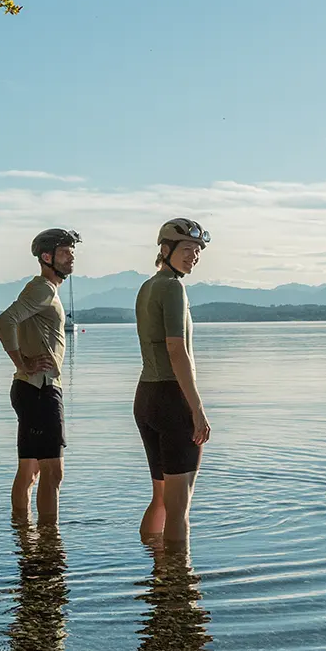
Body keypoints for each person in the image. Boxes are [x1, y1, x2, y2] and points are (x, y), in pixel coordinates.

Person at [0, 228, 80, 525]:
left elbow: (11, 323)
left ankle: (23, 535)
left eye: (72, 252)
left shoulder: (45, 289)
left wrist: (24, 365)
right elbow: (3, 323)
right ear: (47, 256)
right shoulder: (43, 288)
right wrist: (24, 362)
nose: (72, 258)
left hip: (30, 389)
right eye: (65, 252)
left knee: (30, 470)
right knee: (53, 472)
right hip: (39, 389)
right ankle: (48, 540)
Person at [134, 218, 212, 546]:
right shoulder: (173, 287)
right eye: (187, 249)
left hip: (146, 398)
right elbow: (176, 349)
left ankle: (153, 566)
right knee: (180, 509)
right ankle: (178, 588)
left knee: (161, 497)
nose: (193, 256)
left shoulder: (148, 286)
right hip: (171, 399)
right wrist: (197, 408)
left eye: (197, 250)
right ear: (165, 250)